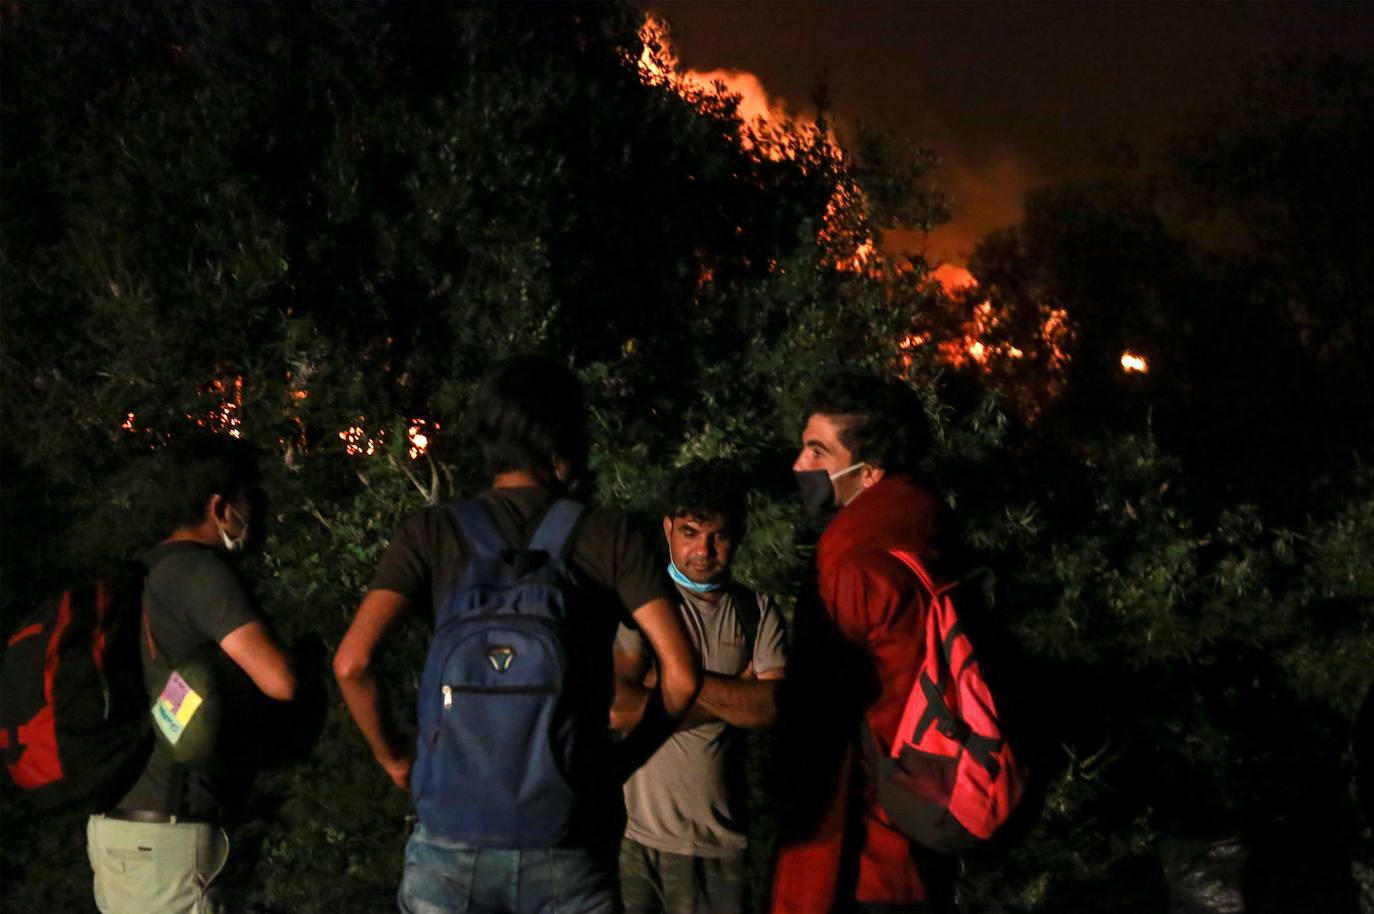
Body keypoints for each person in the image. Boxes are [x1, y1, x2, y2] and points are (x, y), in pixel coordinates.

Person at [334, 354, 700, 914]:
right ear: (566, 438)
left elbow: (352, 664)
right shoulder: (609, 535)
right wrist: (618, 763)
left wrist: (394, 760)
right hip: (568, 838)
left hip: (449, 842)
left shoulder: (432, 532)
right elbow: (682, 676)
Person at [87, 436, 297, 914]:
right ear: (219, 507)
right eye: (252, 496)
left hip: (117, 827)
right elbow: (280, 680)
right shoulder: (199, 572)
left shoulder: (140, 573)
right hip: (167, 838)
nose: (259, 509)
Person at [771, 371, 948, 914]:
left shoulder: (854, 564)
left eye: (818, 451)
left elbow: (822, 719)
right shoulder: (924, 533)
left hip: (861, 846)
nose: (800, 466)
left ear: (868, 473)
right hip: (921, 823)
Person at [612, 459, 787, 914]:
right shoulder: (643, 606)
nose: (703, 550)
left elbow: (772, 708)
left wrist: (667, 680)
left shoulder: (757, 611)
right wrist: (735, 693)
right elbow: (616, 707)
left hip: (718, 848)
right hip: (633, 841)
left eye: (719, 536)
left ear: (739, 536)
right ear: (668, 528)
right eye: (690, 532)